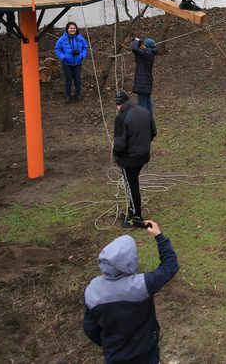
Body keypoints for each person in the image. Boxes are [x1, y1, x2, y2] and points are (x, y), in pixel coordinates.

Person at [83, 223, 179, 364]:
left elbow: (90, 328)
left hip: (115, 357)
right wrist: (159, 236)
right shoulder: (142, 285)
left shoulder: (93, 290)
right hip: (146, 354)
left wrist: (109, 345)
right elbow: (170, 266)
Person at [113, 91, 157, 228]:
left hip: (130, 159)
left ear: (119, 105)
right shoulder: (144, 111)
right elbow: (153, 132)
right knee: (133, 183)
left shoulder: (121, 118)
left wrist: (116, 155)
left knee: (132, 187)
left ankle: (136, 216)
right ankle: (132, 211)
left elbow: (119, 144)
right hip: (144, 155)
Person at [54, 22, 89, 103]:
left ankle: (78, 94)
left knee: (77, 78)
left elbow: (85, 47)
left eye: (74, 28)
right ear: (67, 29)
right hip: (67, 63)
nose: (72, 30)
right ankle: (68, 96)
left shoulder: (80, 38)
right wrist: (63, 57)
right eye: (70, 28)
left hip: (78, 62)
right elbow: (57, 49)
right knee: (68, 79)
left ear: (76, 29)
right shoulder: (62, 39)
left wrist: (82, 56)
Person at [131, 37, 159, 116]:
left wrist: (135, 41)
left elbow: (134, 49)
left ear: (147, 47)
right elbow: (138, 51)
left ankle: (144, 122)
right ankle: (150, 121)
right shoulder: (149, 53)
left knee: (142, 105)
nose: (142, 46)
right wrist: (139, 41)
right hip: (145, 82)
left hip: (142, 83)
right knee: (147, 102)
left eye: (144, 45)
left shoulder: (147, 53)